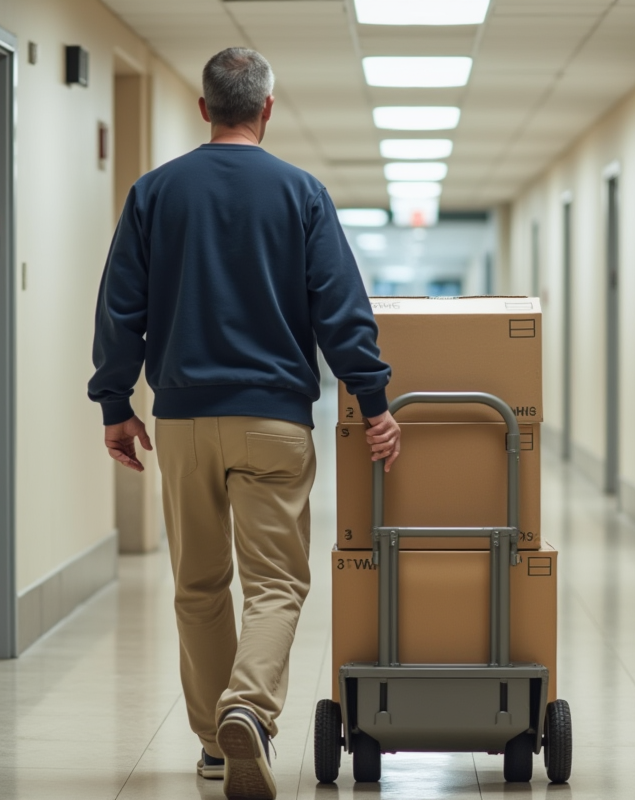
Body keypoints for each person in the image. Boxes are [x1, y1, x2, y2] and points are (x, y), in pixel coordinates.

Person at [87, 47, 400, 800]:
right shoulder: (301, 192)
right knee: (275, 585)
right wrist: (374, 398)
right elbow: (339, 306)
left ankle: (215, 750)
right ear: (266, 109)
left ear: (204, 110)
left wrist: (115, 405)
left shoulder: (155, 193)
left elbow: (120, 305)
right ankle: (248, 709)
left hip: (185, 422)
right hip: (274, 422)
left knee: (198, 586)